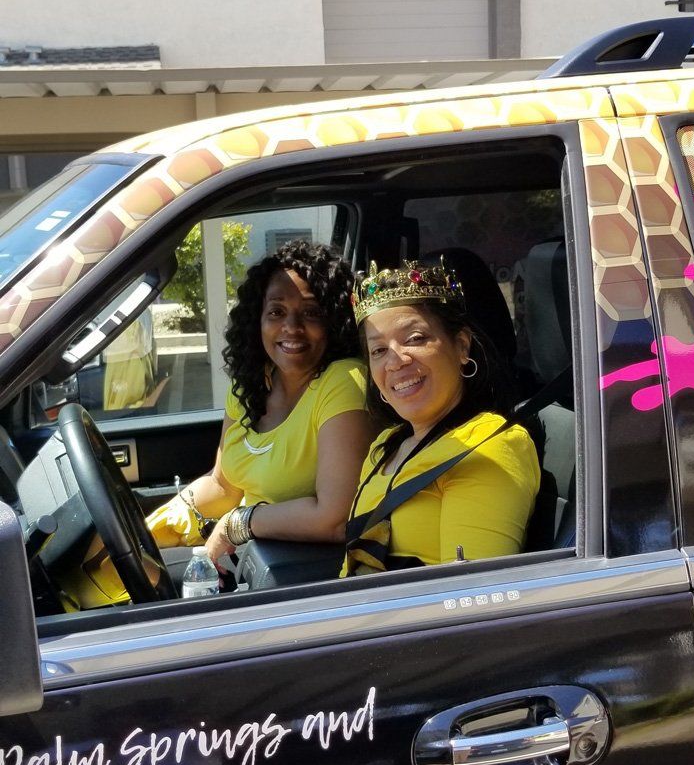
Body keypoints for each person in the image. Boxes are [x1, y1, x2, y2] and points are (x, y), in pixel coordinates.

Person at [147, 241, 372, 567]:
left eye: (311, 313)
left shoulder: (344, 380)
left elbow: (334, 519)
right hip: (251, 556)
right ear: (257, 320)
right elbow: (222, 486)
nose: (291, 327)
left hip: (301, 572)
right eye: (276, 312)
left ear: (335, 321)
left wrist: (236, 524)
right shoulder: (251, 384)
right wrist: (154, 528)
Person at [343, 260, 540, 575]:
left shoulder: (486, 447)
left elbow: (472, 599)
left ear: (461, 345)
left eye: (415, 339)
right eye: (378, 351)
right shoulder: (384, 447)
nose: (395, 362)